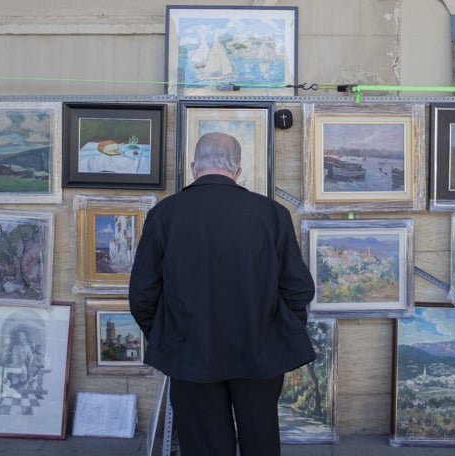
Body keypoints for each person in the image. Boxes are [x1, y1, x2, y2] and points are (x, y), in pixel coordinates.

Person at [129, 131, 315, 456]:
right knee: (261, 443)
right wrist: (275, 331)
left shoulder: (165, 215)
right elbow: (298, 288)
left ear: (193, 167)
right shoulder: (272, 214)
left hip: (190, 353)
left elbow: (143, 294)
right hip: (260, 352)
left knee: (204, 447)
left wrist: (168, 336)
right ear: (238, 171)